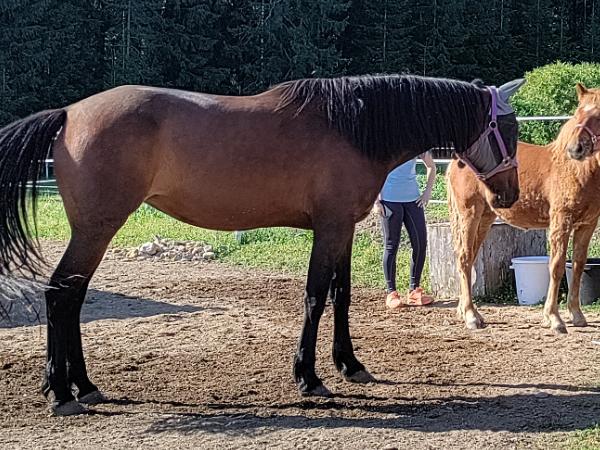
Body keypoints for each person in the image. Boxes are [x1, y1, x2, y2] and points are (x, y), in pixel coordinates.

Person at [375, 152, 436, 309]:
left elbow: (431, 166)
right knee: (391, 246)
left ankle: (414, 290)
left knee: (420, 244)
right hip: (389, 201)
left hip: (413, 201)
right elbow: (373, 170)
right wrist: (376, 201)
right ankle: (391, 292)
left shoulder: (417, 144)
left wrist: (427, 191)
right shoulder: (385, 144)